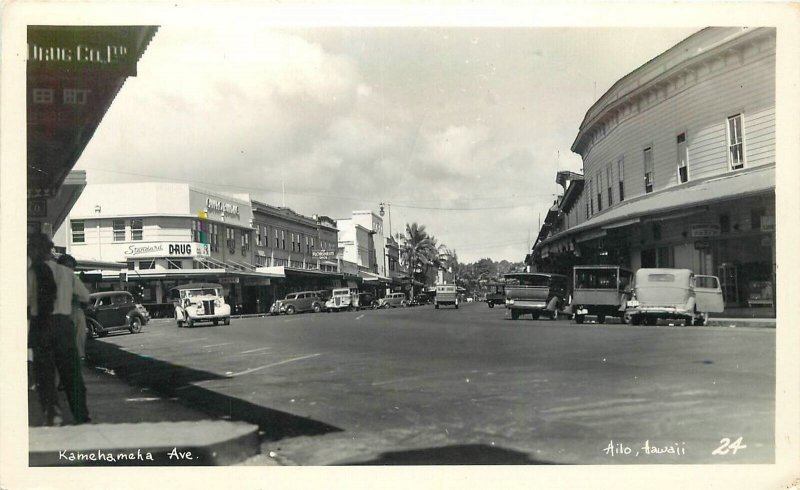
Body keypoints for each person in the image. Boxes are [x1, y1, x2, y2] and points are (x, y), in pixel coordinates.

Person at [27, 233, 91, 426]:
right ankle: (82, 415)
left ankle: (53, 413)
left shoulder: (31, 273)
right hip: (63, 326)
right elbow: (85, 296)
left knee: (44, 374)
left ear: (36, 251)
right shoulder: (67, 272)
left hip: (41, 326)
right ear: (50, 250)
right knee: (71, 373)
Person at [57, 254, 91, 362]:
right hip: (69, 314)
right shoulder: (70, 279)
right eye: (68, 266)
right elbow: (85, 297)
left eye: (71, 267)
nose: (69, 269)